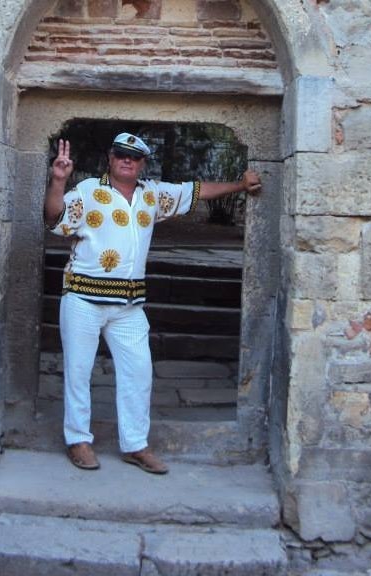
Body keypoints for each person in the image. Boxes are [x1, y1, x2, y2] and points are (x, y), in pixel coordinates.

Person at [44, 132, 261, 474]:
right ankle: (78, 440)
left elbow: (196, 191)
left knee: (139, 373)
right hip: (83, 298)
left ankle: (135, 445)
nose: (126, 160)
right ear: (110, 158)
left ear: (143, 163)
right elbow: (55, 218)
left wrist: (240, 185)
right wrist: (58, 181)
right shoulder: (88, 191)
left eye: (134, 156)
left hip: (129, 306)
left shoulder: (153, 194)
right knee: (77, 372)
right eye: (120, 154)